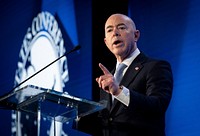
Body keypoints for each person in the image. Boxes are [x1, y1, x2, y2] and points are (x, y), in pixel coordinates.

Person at [76, 13, 173, 136]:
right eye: (109, 30)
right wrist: (76, 112)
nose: (115, 33)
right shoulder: (109, 77)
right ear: (106, 42)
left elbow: (157, 107)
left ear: (136, 35)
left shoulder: (155, 67)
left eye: (121, 27)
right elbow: (109, 121)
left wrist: (119, 92)